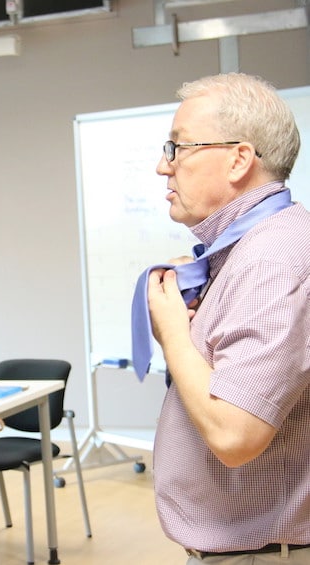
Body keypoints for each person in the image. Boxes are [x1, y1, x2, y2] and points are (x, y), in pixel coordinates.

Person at [146, 72, 310, 563]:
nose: (162, 166)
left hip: (265, 553)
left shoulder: (272, 260)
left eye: (177, 148)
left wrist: (174, 333)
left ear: (239, 158)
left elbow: (235, 435)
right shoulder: (245, 252)